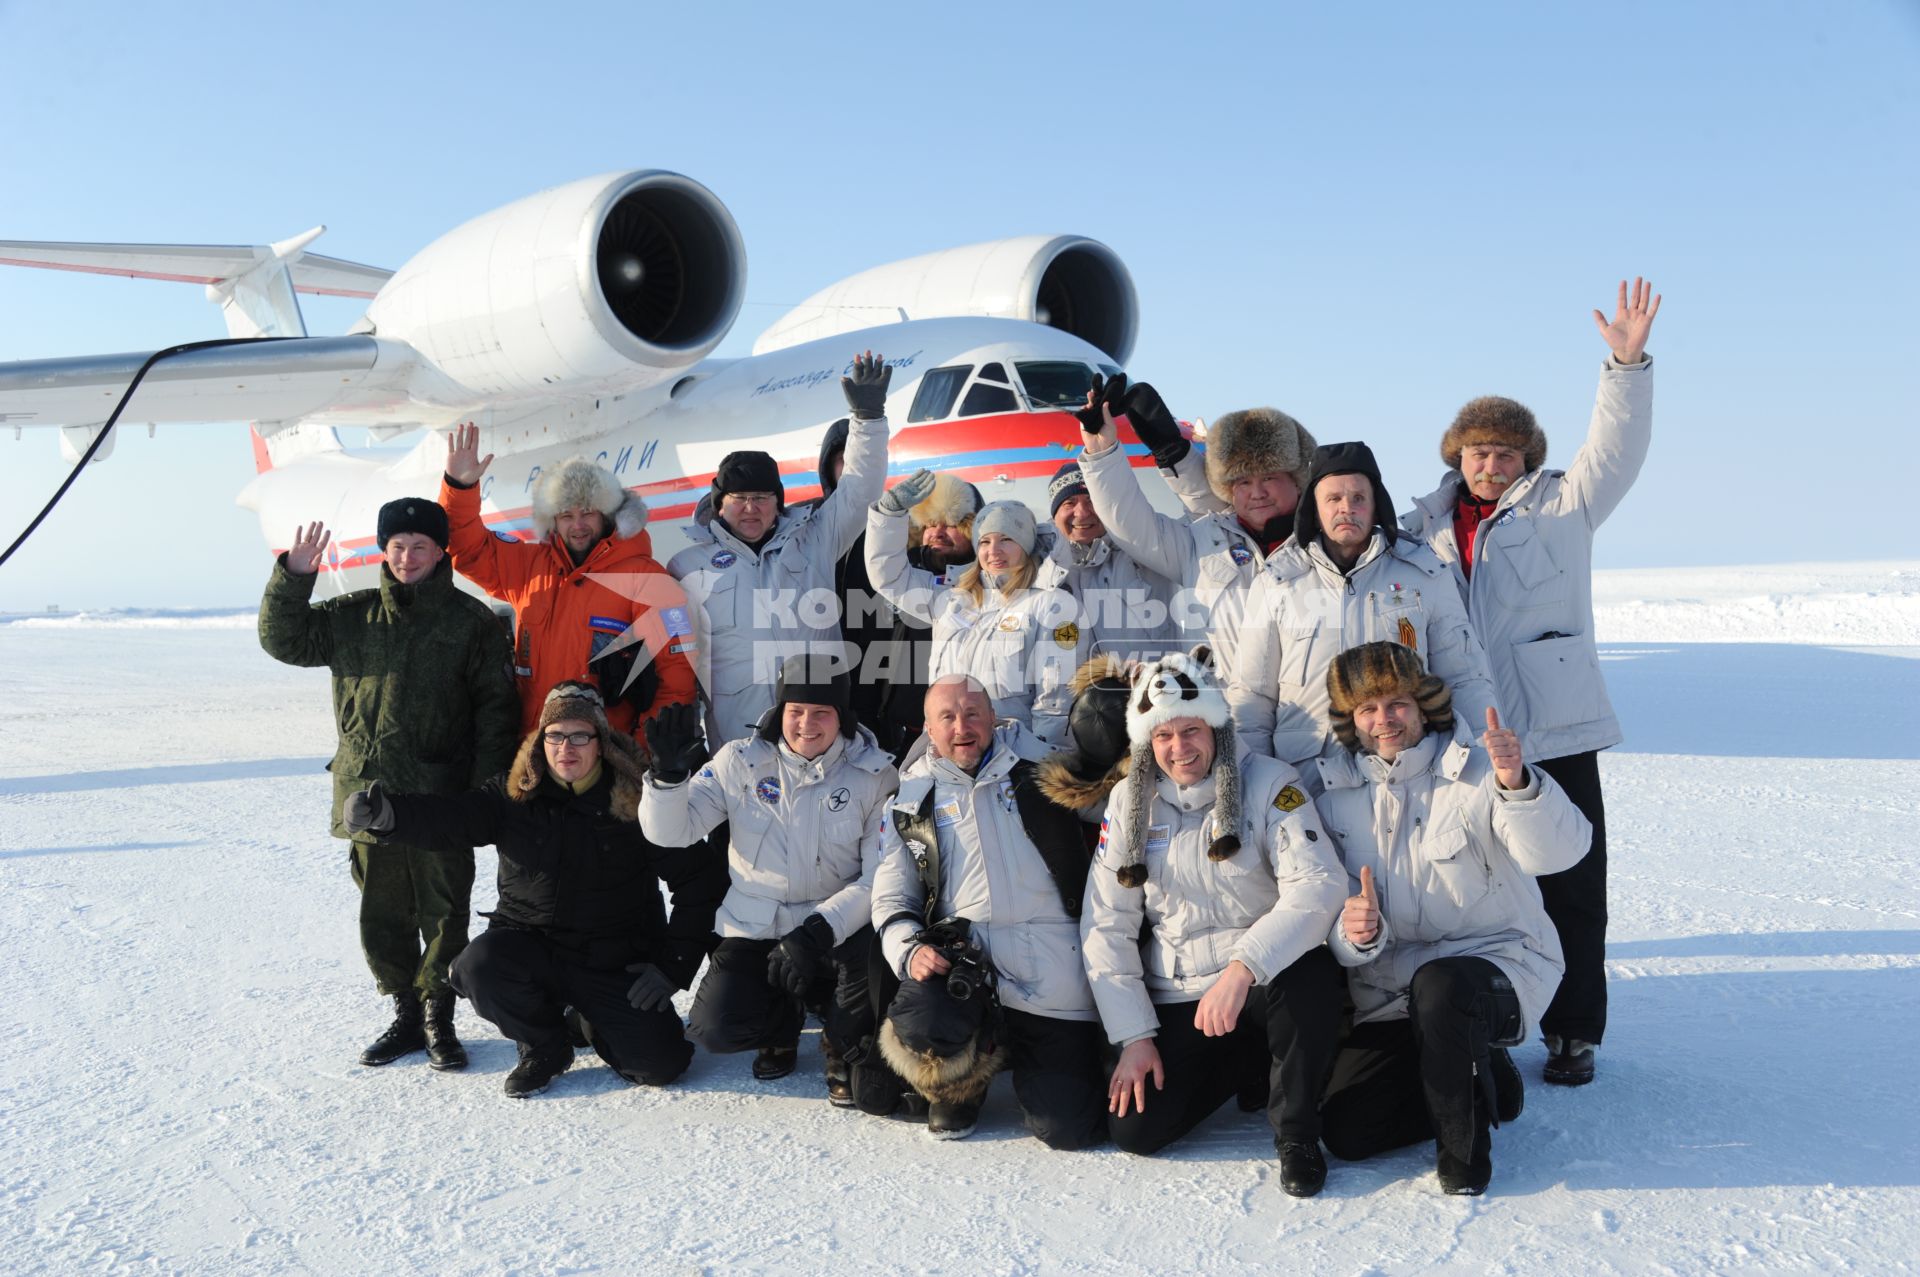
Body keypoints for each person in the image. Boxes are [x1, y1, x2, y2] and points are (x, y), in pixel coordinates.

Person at [1400, 279, 1660, 1087]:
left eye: (1505, 452)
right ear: (1456, 455)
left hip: (1556, 729)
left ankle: (1574, 1030)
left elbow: (1617, 447)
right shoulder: (1421, 527)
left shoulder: (1564, 505)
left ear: (1527, 458)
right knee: (1475, 882)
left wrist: (1626, 365)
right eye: (1477, 451)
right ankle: (1485, 1013)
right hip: (1465, 739)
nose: (1490, 463)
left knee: (1574, 883)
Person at [342, 682, 727, 1098]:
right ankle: (544, 1044)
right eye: (555, 736)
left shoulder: (638, 802)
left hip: (615, 960)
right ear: (540, 741)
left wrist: (673, 967)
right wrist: (388, 816)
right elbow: (450, 819)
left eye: (580, 735)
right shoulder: (513, 796)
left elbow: (698, 884)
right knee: (478, 966)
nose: (566, 747)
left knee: (661, 1065)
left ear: (602, 742)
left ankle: (587, 1019)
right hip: (532, 947)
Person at [1313, 642, 1590, 1195]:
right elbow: (1334, 921)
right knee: (1348, 1130)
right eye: (1367, 709)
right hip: (1392, 992)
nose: (1383, 720)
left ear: (1424, 706)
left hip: (1499, 964)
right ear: (1352, 720)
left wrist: (1519, 785)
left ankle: (1464, 1161)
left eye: (1396, 704)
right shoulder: (1334, 796)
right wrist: (1354, 934)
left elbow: (1558, 854)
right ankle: (1486, 1081)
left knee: (1441, 987)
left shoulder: (1481, 771)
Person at [259, 500, 518, 1072]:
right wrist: (293, 576)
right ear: (384, 550)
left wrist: (486, 796)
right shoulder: (350, 615)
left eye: (420, 546)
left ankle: (438, 1016)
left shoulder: (469, 621)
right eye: (397, 546)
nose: (408, 557)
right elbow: (285, 641)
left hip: (442, 796)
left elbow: (496, 713)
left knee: (445, 910)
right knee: (383, 911)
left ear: (440, 550)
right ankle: (404, 1010)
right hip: (367, 794)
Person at [1079, 649, 1347, 1194]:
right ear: (1146, 742)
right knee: (1136, 1129)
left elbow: (1320, 887)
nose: (1179, 749)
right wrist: (1134, 1036)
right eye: (1163, 736)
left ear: (1216, 726)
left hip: (1259, 982)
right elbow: (1106, 925)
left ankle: (1296, 1135)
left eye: (1192, 731)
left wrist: (1243, 968)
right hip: (1182, 991)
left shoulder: (1271, 783)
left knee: (1311, 973)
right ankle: (1250, 1065)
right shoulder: (1128, 803)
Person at [638, 655, 898, 1103]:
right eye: (796, 711)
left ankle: (839, 1036)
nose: (807, 724)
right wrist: (667, 780)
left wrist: (817, 930)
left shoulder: (874, 776)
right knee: (715, 1028)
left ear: (842, 717)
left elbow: (881, 876)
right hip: (756, 923)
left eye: (822, 712)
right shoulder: (739, 761)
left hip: (835, 927)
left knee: (865, 996)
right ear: (780, 713)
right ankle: (780, 1028)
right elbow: (672, 833)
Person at [869, 677, 1103, 1145]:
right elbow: (892, 899)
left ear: (993, 717)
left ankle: (1048, 1057)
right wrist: (909, 952)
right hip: (970, 970)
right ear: (928, 729)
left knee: (1067, 1127)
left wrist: (1113, 740)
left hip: (1052, 965)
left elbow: (1108, 807)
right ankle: (961, 1085)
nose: (963, 727)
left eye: (973, 714)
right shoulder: (910, 802)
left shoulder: (1046, 771)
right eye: (948, 718)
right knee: (924, 1011)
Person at [1229, 441, 1498, 773]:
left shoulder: (1424, 574)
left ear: (1376, 505)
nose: (1346, 508)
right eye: (1333, 499)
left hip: (1406, 774)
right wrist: (1255, 780)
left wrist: (1485, 761)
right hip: (1306, 778)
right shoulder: (1276, 582)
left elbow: (1464, 677)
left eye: (1358, 498)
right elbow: (1253, 695)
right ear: (1314, 506)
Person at [668, 352, 890, 744]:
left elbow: (859, 490)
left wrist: (868, 421)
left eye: (762, 497)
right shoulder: (687, 567)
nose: (751, 508)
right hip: (740, 733)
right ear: (720, 504)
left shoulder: (815, 539)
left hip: (817, 727)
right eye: (739, 497)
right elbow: (677, 659)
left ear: (778, 503)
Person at [441, 426, 696, 743]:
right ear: (552, 519)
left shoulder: (647, 580)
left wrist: (642, 752)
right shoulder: (529, 568)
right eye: (566, 515)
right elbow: (467, 550)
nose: (577, 526)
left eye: (588, 512)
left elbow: (676, 676)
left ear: (606, 516)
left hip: (607, 758)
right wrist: (460, 487)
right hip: (536, 754)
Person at [1076, 379, 1318, 677]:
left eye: (1268, 478)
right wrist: (1102, 452)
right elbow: (1129, 524)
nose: (1257, 492)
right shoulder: (1202, 543)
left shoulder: (1324, 549)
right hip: (1221, 715)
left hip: (1305, 718)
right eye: (1243, 481)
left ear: (1297, 480)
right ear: (1228, 488)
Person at [864, 471, 1091, 746]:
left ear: (1026, 544)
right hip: (947, 752)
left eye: (1006, 539)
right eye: (984, 541)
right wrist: (889, 515)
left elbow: (1055, 702)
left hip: (1011, 755)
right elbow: (889, 577)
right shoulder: (950, 599)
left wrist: (1037, 761)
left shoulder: (1052, 605)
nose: (993, 551)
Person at [810, 421, 983, 760]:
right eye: (931, 524)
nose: (938, 532)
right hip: (854, 697)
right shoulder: (809, 527)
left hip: (944, 720)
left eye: (951, 523)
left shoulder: (920, 570)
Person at [1034, 457, 1181, 657]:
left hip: (1155, 684)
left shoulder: (1144, 548)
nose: (1082, 513)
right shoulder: (1039, 567)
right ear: (1055, 514)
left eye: (1091, 500)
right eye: (1069, 503)